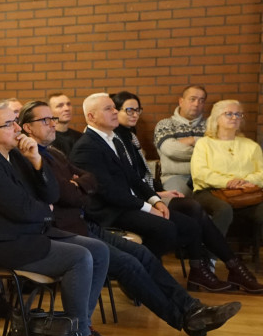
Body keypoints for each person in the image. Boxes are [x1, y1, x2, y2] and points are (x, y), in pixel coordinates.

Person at [19, 100, 242, 336]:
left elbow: (89, 180)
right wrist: (76, 187)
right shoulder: (28, 158)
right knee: (130, 264)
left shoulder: (53, 154)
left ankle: (192, 308)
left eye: (51, 119)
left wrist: (79, 185)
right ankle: (187, 318)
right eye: (45, 120)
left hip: (85, 224)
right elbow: (63, 193)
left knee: (144, 253)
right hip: (68, 233)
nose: (52, 124)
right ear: (27, 128)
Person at [0, 101, 120, 336]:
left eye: (15, 122)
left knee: (98, 250)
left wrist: (36, 161)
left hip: (26, 233)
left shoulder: (13, 156)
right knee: (80, 257)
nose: (17, 128)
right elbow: (23, 209)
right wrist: (47, 210)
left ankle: (83, 330)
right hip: (3, 246)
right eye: (9, 124)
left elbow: (51, 194)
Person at [71, 93, 259, 292]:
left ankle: (178, 273)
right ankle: (132, 273)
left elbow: (134, 177)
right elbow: (107, 192)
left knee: (191, 225)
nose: (115, 112)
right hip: (109, 211)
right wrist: (148, 207)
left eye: (114, 107)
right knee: (167, 228)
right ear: (91, 117)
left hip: (126, 203)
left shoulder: (113, 140)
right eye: (108, 109)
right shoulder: (87, 147)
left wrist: (155, 200)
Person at [190, 99, 263, 259]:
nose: (234, 117)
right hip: (209, 191)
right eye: (228, 113)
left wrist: (246, 181)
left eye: (238, 114)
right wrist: (228, 182)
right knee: (223, 210)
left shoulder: (251, 145)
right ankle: (208, 261)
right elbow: (200, 173)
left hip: (245, 193)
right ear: (216, 118)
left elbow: (261, 172)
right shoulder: (204, 144)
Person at [154, 85, 209, 198]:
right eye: (192, 99)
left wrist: (190, 141)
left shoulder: (211, 126)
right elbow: (171, 150)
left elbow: (218, 153)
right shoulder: (165, 124)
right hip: (175, 177)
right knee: (181, 203)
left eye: (201, 100)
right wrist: (200, 144)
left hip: (207, 177)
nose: (196, 104)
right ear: (181, 101)